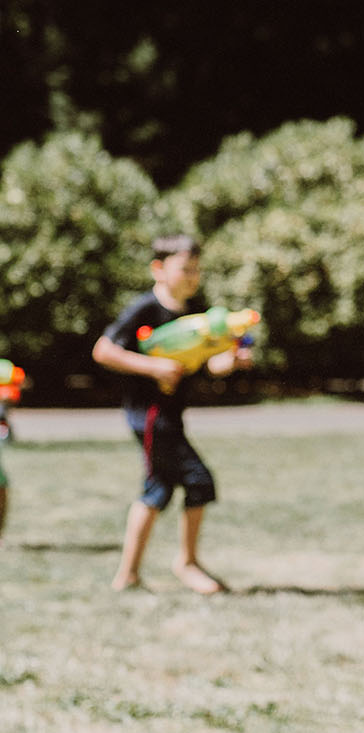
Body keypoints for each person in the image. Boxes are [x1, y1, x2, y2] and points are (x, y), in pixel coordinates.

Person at [91, 234, 252, 593]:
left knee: (158, 490)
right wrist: (153, 368)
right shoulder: (144, 309)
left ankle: (128, 576)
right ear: (158, 269)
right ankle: (186, 563)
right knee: (197, 480)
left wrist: (230, 361)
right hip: (148, 414)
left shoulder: (195, 311)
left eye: (197, 269)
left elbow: (207, 363)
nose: (193, 276)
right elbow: (103, 351)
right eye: (185, 269)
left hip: (171, 413)